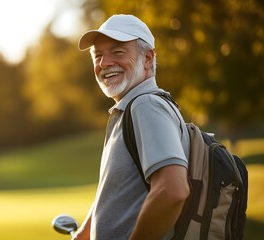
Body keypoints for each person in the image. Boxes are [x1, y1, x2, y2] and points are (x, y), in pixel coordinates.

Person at [74, 14, 191, 240]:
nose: (104, 63)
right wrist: (83, 235)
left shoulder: (146, 105)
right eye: (98, 55)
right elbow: (115, 195)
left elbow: (173, 190)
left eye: (117, 52)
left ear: (148, 58)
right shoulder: (130, 110)